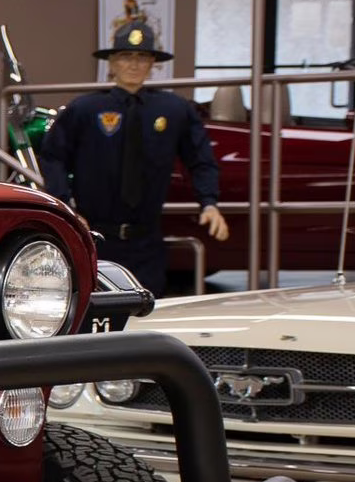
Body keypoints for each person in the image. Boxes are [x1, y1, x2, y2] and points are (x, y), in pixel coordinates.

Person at [39, 17, 228, 295]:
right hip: (96, 236)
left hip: (148, 240)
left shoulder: (174, 110)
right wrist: (67, 208)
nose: (134, 64)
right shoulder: (86, 109)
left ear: (153, 63)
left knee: (147, 311)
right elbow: (53, 156)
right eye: (125, 56)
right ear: (112, 63)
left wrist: (209, 202)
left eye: (142, 56)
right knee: (95, 310)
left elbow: (200, 159)